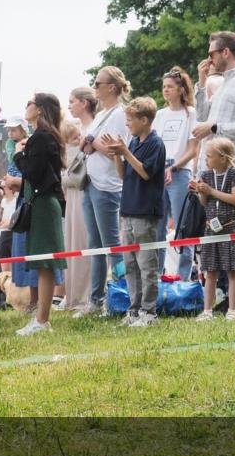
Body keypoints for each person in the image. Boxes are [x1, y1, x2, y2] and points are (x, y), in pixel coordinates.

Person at [104, 97, 166, 327]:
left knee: (146, 265)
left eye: (131, 120)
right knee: (130, 264)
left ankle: (149, 313)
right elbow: (123, 175)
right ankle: (134, 310)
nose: (127, 123)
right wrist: (117, 155)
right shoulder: (133, 142)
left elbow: (146, 173)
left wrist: (126, 153)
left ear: (144, 120)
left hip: (145, 212)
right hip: (128, 210)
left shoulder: (155, 144)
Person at [77, 66, 131, 318]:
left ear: (112, 87)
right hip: (90, 180)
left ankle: (122, 295)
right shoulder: (101, 114)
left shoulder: (120, 114)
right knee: (94, 244)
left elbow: (116, 150)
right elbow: (92, 145)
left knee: (112, 244)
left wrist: (92, 142)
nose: (94, 87)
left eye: (98, 84)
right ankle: (96, 298)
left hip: (108, 185)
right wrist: (88, 144)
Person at [13, 94, 68, 336]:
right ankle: (40, 319)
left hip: (44, 205)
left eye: (30, 103)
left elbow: (32, 173)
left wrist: (19, 155)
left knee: (45, 263)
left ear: (40, 110)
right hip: (44, 204)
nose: (27, 106)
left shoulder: (41, 138)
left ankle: (42, 320)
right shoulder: (45, 137)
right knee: (43, 265)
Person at [192, 138, 235, 321]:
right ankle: (207, 310)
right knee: (210, 271)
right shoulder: (206, 175)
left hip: (231, 228)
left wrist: (210, 191)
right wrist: (199, 191)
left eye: (209, 156)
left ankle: (232, 309)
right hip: (211, 230)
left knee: (233, 271)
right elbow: (203, 202)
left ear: (223, 158)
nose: (206, 159)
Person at [193, 31, 235, 179]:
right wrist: (202, 82)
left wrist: (214, 127)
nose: (209, 60)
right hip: (211, 173)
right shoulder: (225, 83)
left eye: (211, 54)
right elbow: (203, 116)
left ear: (225, 52)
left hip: (230, 176)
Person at [153, 67, 198, 279]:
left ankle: (184, 276)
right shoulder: (159, 115)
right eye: (164, 87)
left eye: (170, 86)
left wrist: (173, 167)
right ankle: (159, 275)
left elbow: (192, 149)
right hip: (159, 173)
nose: (166, 90)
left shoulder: (191, 114)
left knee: (183, 227)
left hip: (180, 173)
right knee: (158, 227)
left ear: (181, 89)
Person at [63, 88, 96, 314]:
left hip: (88, 187)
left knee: (86, 241)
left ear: (84, 103)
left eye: (72, 101)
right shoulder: (75, 130)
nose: (69, 106)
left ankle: (86, 296)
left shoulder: (93, 127)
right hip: (72, 190)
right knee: (72, 241)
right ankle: (72, 293)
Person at [2, 118, 38, 313]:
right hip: (20, 198)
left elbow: (24, 175)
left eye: (14, 130)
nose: (11, 134)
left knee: (29, 251)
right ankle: (27, 302)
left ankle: (35, 302)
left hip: (27, 200)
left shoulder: (27, 143)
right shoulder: (11, 146)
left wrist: (14, 180)